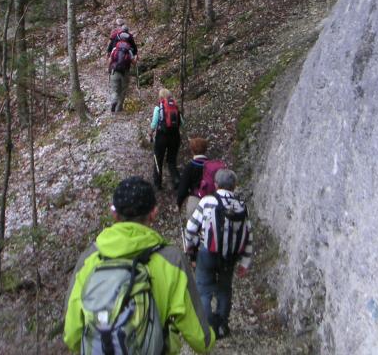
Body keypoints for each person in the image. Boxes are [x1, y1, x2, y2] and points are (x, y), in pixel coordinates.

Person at [64, 176, 215, 354]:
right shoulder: (172, 260)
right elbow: (200, 339)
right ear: (154, 213)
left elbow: (71, 334)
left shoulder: (89, 259)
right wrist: (209, 340)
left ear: (114, 214)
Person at [185, 168, 252, 340]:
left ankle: (207, 328)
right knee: (224, 290)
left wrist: (190, 247)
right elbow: (248, 235)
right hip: (230, 256)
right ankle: (222, 326)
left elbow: (191, 228)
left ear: (215, 184)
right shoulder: (242, 206)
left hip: (207, 252)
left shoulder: (208, 201)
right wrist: (245, 262)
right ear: (234, 186)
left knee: (204, 289)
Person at [148, 88, 183, 190]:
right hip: (175, 136)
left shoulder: (158, 108)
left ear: (160, 97)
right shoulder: (175, 107)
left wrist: (150, 133)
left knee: (158, 160)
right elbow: (182, 123)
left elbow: (154, 123)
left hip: (162, 137)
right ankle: (176, 180)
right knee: (172, 160)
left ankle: (157, 184)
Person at [177, 137, 209, 219]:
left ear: (192, 151)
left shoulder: (190, 166)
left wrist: (179, 203)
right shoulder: (211, 165)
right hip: (210, 199)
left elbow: (183, 189)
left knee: (192, 224)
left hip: (195, 199)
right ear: (205, 150)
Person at [108, 25, 137, 113]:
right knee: (123, 90)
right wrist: (135, 58)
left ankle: (114, 101)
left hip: (115, 70)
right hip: (125, 72)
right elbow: (133, 62)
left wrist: (109, 69)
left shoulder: (115, 48)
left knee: (115, 90)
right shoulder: (129, 49)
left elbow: (110, 60)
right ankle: (119, 108)